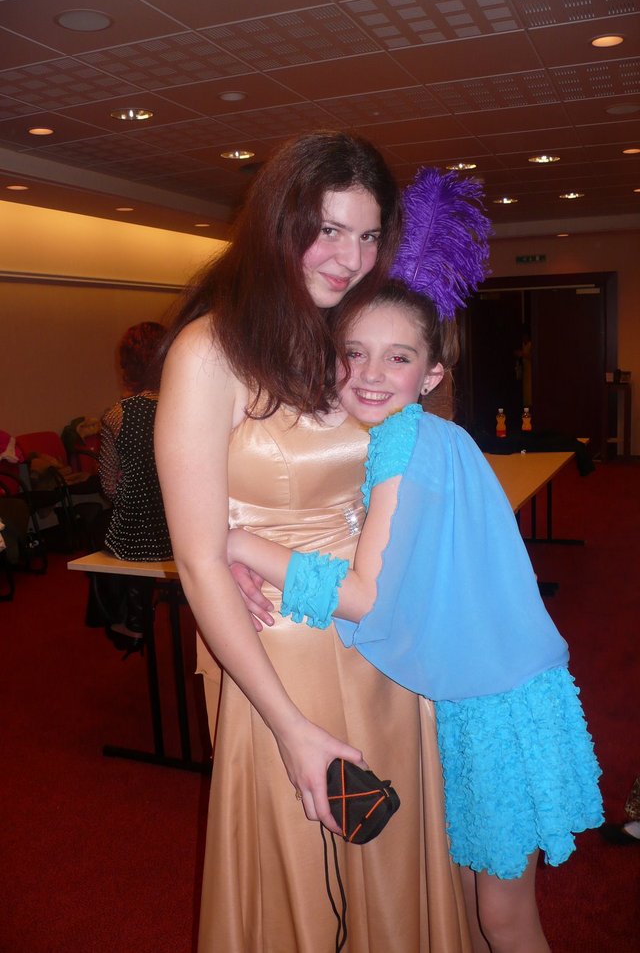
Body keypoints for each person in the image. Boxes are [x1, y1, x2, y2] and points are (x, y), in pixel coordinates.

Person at [155, 131, 471, 952]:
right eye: (328, 229)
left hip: (384, 637)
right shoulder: (210, 350)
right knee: (302, 867)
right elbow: (197, 557)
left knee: (393, 860)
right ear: (281, 223)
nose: (351, 257)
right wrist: (291, 727)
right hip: (276, 653)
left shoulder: (349, 336)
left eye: (368, 235)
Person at [228, 280, 604, 953]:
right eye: (355, 352)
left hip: (496, 709)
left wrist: (236, 542)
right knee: (474, 906)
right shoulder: (438, 435)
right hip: (497, 690)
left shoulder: (400, 442)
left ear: (431, 374)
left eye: (397, 358)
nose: (371, 374)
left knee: (504, 919)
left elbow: (364, 596)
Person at [94, 321, 172, 654]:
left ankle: (131, 620)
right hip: (186, 531)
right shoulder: (189, 406)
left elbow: (108, 486)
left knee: (107, 529)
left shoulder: (117, 415)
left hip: (137, 537)